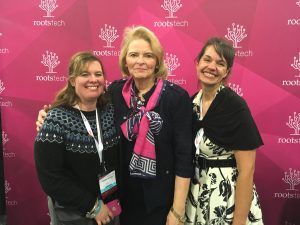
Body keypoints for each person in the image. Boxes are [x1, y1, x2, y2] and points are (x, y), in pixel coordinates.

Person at [36, 26, 194, 225]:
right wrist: (47, 115)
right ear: (125, 61)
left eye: (148, 55)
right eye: (134, 54)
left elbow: (184, 158)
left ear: (157, 61)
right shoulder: (116, 93)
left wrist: (177, 211)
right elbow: (80, 104)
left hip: (160, 200)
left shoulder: (176, 97)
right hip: (123, 201)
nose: (140, 61)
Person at [34, 52, 120, 225]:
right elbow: (50, 178)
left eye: (98, 74)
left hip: (110, 205)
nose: (93, 79)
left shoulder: (110, 111)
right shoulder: (55, 120)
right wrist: (93, 207)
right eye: (84, 74)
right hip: (73, 214)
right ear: (72, 81)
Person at [185, 37, 264, 225]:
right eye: (207, 59)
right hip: (196, 194)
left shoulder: (235, 107)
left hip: (227, 197)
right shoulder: (191, 104)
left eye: (220, 63)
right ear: (197, 63)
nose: (211, 67)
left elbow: (247, 171)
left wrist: (238, 221)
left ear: (226, 72)